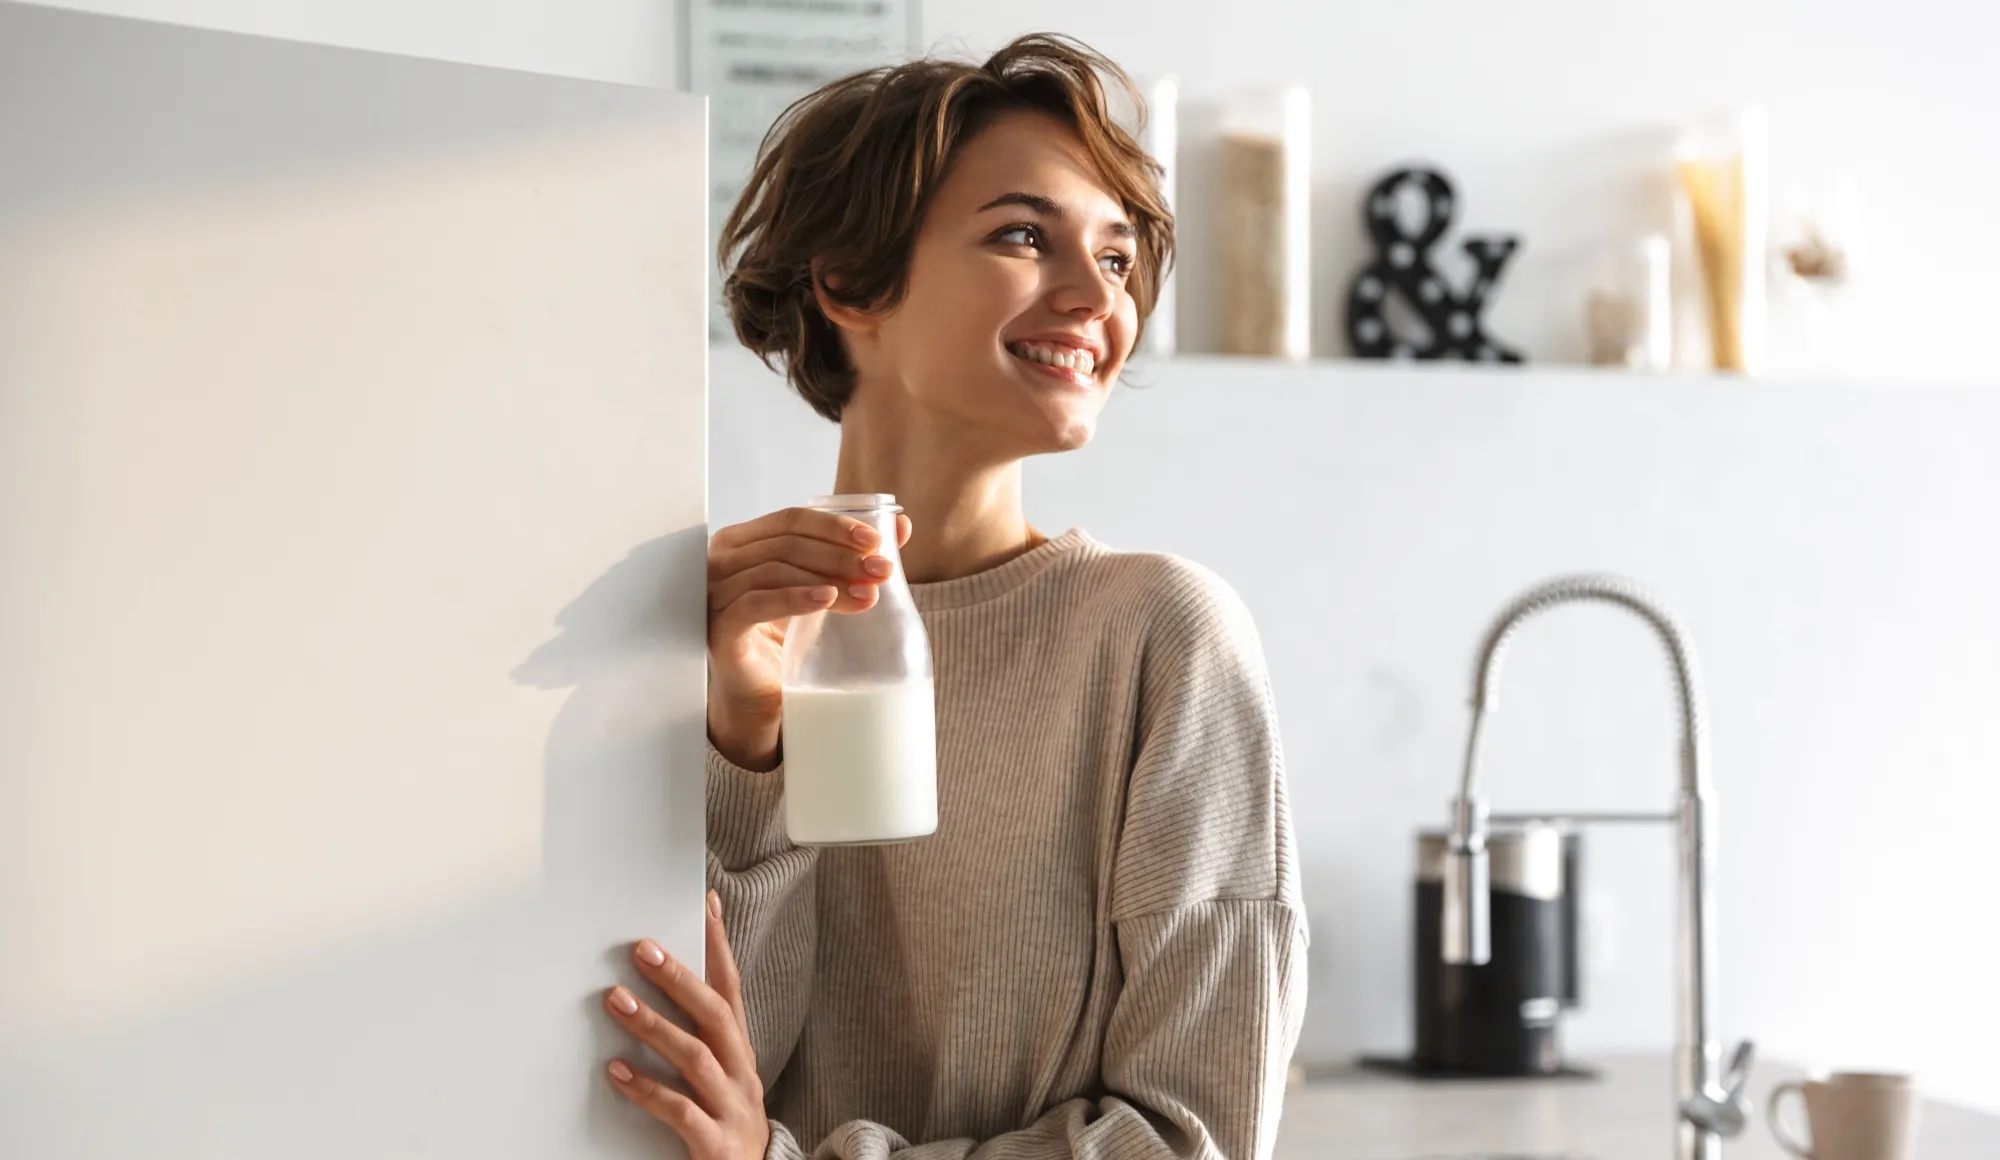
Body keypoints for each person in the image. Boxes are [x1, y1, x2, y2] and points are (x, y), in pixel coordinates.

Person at [598, 33, 1307, 1160]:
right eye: (1025, 236)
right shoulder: (703, 629)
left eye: (1117, 259)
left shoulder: (1161, 635)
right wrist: (746, 740)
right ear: (848, 284)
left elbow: (1189, 1137)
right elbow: (686, 1082)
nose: (1094, 298)